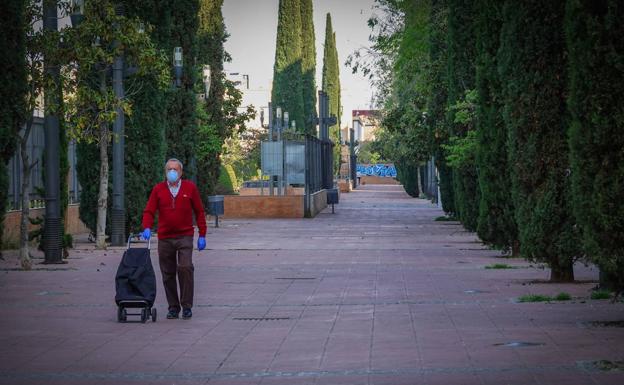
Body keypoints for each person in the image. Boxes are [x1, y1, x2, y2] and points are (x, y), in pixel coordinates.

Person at [141, 158, 207, 320]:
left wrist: (202, 235)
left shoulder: (190, 188)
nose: (172, 172)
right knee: (168, 273)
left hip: (185, 236)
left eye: (175, 169)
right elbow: (149, 211)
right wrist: (147, 227)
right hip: (165, 238)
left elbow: (199, 211)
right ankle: (173, 307)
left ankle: (186, 306)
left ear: (181, 172)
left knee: (185, 267)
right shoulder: (158, 189)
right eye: (169, 169)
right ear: (165, 172)